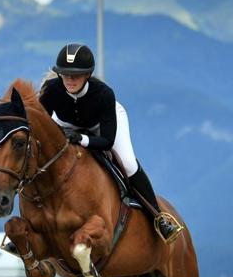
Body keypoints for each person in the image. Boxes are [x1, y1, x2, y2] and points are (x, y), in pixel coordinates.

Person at [38, 43, 183, 243]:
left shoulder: (103, 94)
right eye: (65, 74)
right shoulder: (51, 89)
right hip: (65, 125)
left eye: (76, 75)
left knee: (129, 164)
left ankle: (159, 218)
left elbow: (106, 142)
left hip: (103, 127)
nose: (69, 80)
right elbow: (40, 124)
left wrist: (82, 139)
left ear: (87, 75)